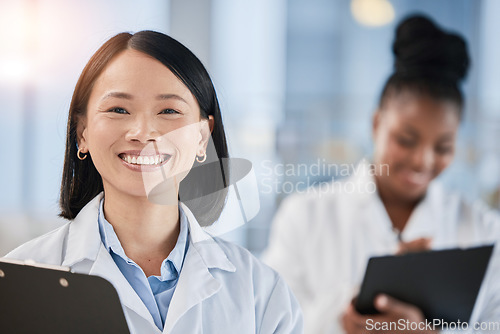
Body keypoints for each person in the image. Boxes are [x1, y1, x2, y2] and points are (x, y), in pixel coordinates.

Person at [5, 31, 303, 334]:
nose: (143, 132)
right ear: (82, 133)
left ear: (203, 137)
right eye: (118, 110)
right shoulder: (16, 283)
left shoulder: (262, 292)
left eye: (169, 111)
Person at [262, 15, 500, 334]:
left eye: (442, 147)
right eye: (406, 140)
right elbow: (266, 322)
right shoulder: (305, 214)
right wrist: (346, 313)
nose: (422, 161)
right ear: (376, 124)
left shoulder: (484, 229)